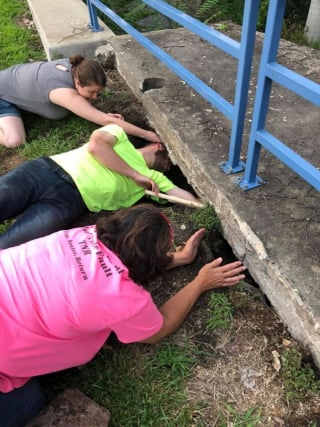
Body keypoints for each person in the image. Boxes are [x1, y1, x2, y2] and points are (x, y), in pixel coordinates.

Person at [0, 203, 247, 427]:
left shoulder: (84, 234)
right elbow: (158, 329)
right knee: (30, 402)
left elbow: (111, 262)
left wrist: (176, 259)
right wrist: (200, 282)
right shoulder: (123, 298)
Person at [0, 123, 200, 249]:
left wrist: (209, 203)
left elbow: (186, 199)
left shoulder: (155, 178)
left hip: (68, 203)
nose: (169, 167)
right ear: (159, 146)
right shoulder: (119, 135)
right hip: (45, 172)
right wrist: (134, 175)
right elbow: (97, 146)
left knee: (9, 246)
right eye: (169, 161)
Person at [0, 54, 160, 147]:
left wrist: (100, 112)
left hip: (10, 80)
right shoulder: (62, 93)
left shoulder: (75, 67)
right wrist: (147, 135)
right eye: (92, 92)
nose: (95, 97)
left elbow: (88, 109)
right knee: (15, 140)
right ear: (77, 83)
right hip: (2, 96)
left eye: (98, 93)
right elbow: (103, 120)